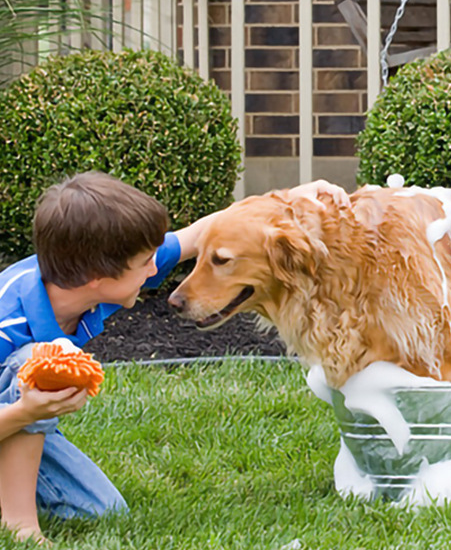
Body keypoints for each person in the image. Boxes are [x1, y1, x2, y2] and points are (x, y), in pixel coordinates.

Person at [0, 171, 347, 544]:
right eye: (146, 262)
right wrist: (26, 413)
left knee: (102, 512)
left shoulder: (85, 276)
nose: (156, 270)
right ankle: (21, 526)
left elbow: (197, 236)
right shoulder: (9, 322)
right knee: (35, 360)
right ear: (96, 277)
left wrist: (291, 198)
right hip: (15, 412)